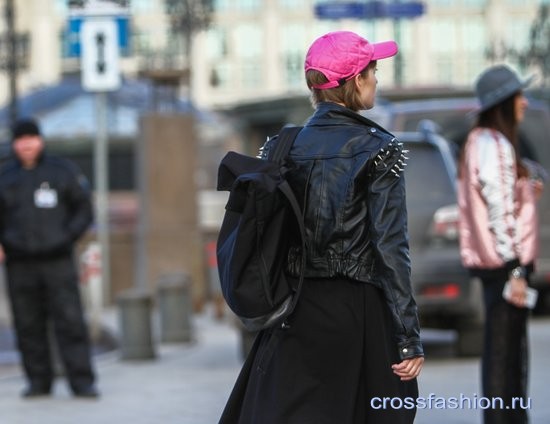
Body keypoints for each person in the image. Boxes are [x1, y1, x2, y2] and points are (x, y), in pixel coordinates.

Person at [219, 31, 424, 424]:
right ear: (354, 81)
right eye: (372, 71)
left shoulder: (280, 146)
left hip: (292, 310)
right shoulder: (380, 148)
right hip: (359, 314)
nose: (376, 79)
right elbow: (391, 250)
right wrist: (408, 337)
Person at [458, 64, 543, 424]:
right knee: (506, 359)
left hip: (498, 264)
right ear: (504, 103)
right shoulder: (494, 144)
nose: (525, 102)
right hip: (504, 266)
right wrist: (515, 270)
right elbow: (499, 211)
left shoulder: (484, 142)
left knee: (505, 355)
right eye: (519, 96)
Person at [0, 118, 99, 398]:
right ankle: (38, 381)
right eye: (21, 139)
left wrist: (67, 237)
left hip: (58, 261)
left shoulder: (61, 171)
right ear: (15, 143)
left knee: (69, 321)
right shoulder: (5, 177)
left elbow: (83, 208)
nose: (27, 144)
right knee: (27, 324)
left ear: (40, 140)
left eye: (32, 138)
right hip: (20, 263)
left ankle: (82, 381)